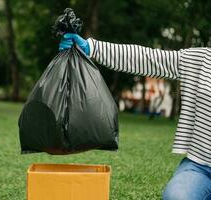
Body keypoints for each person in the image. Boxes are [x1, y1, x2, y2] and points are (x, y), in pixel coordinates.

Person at [59, 33, 211, 200]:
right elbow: (147, 59)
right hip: (201, 166)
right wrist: (91, 48)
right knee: (177, 197)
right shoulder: (203, 59)